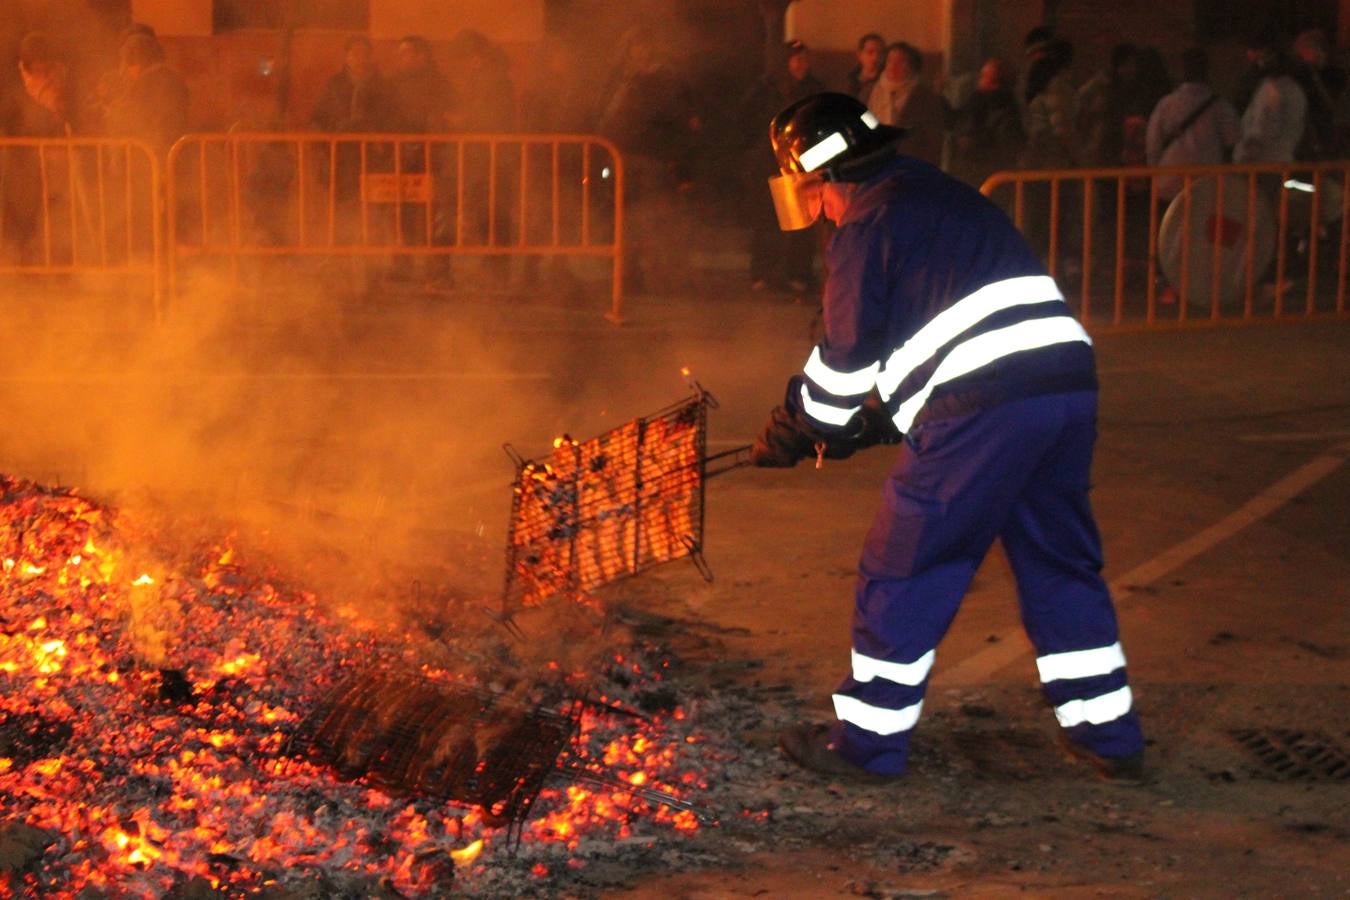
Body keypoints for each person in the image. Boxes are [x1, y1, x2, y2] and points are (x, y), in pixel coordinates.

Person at [751, 92, 1145, 782]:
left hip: (983, 405)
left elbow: (844, 361)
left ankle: (867, 743)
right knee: (1058, 561)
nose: (816, 209)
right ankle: (1108, 735)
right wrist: (883, 418)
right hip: (1064, 387)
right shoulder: (939, 193)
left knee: (906, 563)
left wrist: (801, 426)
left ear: (824, 179)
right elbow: (945, 323)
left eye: (810, 192)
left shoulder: (866, 223)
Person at [738, 39, 826, 293]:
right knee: (766, 221)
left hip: (802, 164)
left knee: (801, 221)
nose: (801, 65)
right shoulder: (765, 88)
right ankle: (762, 272)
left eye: (804, 59)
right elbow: (746, 120)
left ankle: (798, 273)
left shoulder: (815, 89)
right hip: (767, 163)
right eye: (796, 59)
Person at [1145, 47, 1239, 201]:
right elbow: (1232, 142)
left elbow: (1153, 144)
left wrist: (1156, 174)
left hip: (1169, 183)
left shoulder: (1166, 105)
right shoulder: (1220, 107)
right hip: (1208, 184)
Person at [947, 57, 1023, 187]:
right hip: (970, 175)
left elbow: (1005, 152)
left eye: (984, 76)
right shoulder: (977, 102)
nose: (979, 80)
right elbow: (957, 121)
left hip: (988, 180)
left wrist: (973, 144)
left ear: (995, 83)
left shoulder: (1006, 112)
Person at [866, 42, 945, 166]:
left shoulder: (925, 97)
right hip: (870, 162)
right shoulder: (869, 92)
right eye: (890, 60)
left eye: (901, 62)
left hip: (908, 165)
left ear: (912, 67)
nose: (893, 66)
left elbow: (932, 141)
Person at [1233, 39, 1308, 164]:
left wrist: (1248, 155)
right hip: (1285, 158)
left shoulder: (1271, 89)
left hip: (1263, 161)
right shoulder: (1296, 89)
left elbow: (1263, 124)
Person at [843, 32, 885, 102]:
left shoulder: (885, 80)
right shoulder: (850, 78)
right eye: (870, 52)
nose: (876, 57)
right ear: (860, 55)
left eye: (880, 53)